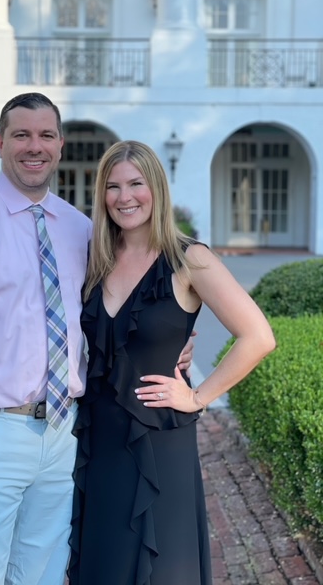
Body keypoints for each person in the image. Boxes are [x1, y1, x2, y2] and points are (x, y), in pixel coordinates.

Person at [0, 93, 194, 585]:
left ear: (60, 145)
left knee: (42, 573)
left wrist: (174, 339)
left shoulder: (82, 230)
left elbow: (115, 308)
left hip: (63, 434)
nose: (33, 146)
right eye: (21, 135)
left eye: (45, 135)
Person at [68, 140, 276, 585]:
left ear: (156, 188)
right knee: (103, 562)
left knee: (162, 566)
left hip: (160, 440)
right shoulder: (96, 258)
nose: (125, 197)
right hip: (99, 438)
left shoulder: (189, 259)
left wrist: (199, 394)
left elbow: (258, 336)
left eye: (136, 184)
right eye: (113, 186)